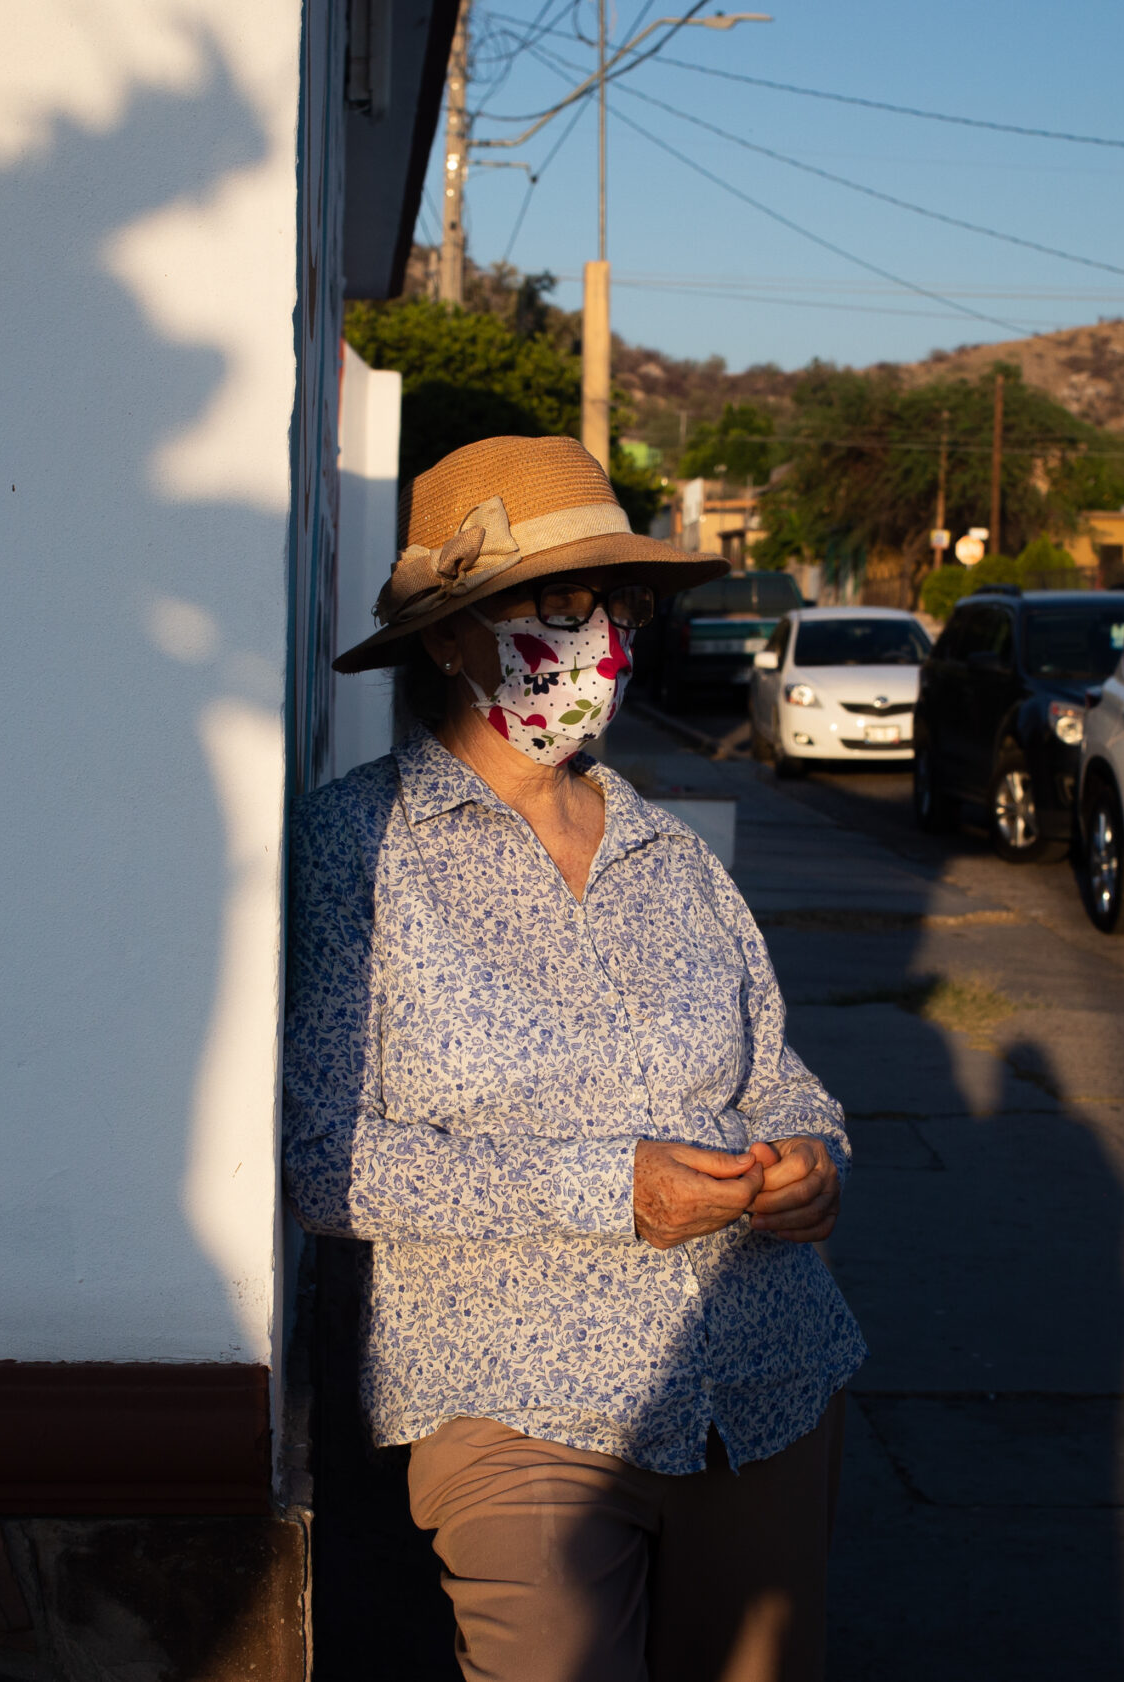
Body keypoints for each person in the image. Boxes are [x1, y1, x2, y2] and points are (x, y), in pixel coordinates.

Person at [286, 434, 866, 1682]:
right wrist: (613, 1187)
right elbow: (320, 1158)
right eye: (558, 603)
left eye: (619, 603)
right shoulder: (356, 846)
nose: (601, 636)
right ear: (449, 637)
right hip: (518, 1408)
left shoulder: (674, 854)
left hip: (760, 1378)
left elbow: (777, 1072)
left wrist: (814, 1154)